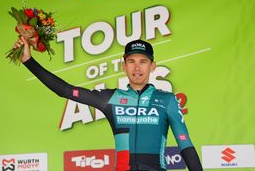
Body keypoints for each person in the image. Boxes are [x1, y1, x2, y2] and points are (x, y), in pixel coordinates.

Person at [15, 37, 203, 171]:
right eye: (131, 61)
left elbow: (186, 146)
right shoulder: (109, 99)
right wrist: (28, 61)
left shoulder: (167, 100)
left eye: (143, 62)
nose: (137, 67)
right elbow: (64, 90)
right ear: (123, 66)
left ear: (152, 66)